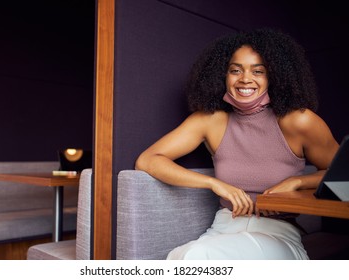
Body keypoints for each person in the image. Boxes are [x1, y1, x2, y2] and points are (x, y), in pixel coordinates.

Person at [135, 28, 339, 260]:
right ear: (223, 76)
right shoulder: (210, 121)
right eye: (235, 70)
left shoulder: (300, 121)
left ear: (275, 76)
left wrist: (297, 181)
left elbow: (343, 178)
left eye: (258, 71)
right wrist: (213, 183)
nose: (245, 79)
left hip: (278, 235)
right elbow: (148, 160)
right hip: (222, 229)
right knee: (184, 257)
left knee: (193, 257)